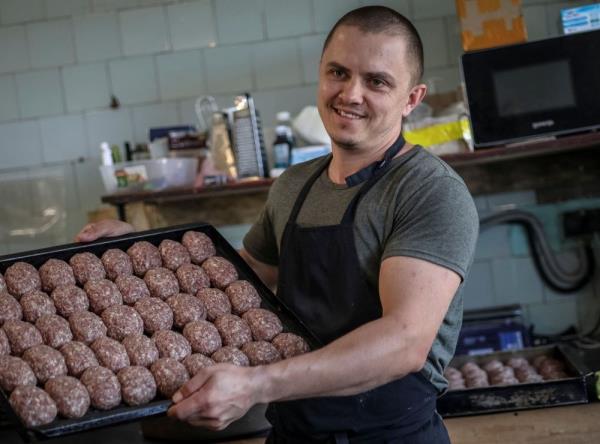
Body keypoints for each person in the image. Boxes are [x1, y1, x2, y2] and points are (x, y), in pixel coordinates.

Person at [77, 6, 478, 443]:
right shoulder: (294, 186)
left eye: (377, 81)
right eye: (338, 73)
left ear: (412, 99)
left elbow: (404, 341)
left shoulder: (429, 191)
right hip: (292, 434)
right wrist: (142, 253)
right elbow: (238, 279)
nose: (351, 93)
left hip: (391, 436)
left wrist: (257, 385)